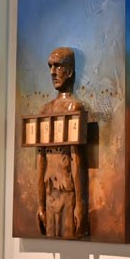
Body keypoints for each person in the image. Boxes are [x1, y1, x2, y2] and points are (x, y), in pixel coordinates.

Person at [36, 47, 88, 239]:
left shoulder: (74, 107)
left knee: (68, 236)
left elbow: (77, 160)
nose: (52, 72)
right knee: (51, 237)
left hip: (67, 192)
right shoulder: (45, 110)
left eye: (57, 66)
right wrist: (40, 203)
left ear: (70, 71)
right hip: (50, 192)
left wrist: (80, 206)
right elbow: (41, 161)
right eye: (50, 66)